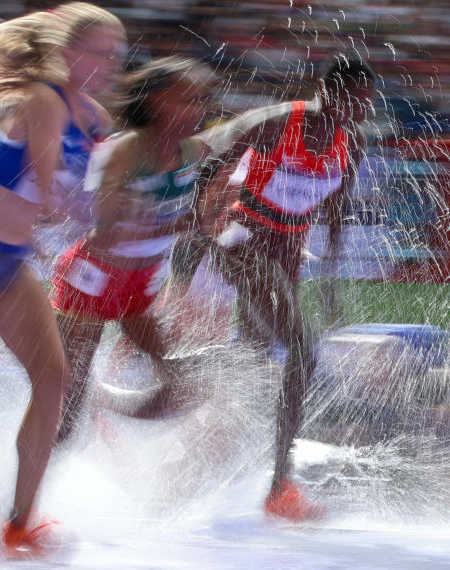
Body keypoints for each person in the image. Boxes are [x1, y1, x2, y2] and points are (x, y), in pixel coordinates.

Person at [0, 2, 125, 557]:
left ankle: (18, 522)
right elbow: (50, 186)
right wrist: (96, 206)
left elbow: (90, 199)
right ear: (68, 53)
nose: (108, 64)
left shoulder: (98, 120)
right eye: (99, 52)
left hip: (9, 257)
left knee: (54, 379)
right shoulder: (43, 99)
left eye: (116, 55)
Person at [197, 51, 374, 521]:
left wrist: (332, 279)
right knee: (302, 348)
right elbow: (209, 169)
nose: (360, 112)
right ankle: (280, 486)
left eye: (366, 104)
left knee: (253, 356)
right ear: (327, 93)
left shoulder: (350, 144)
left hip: (287, 253)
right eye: (353, 101)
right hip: (244, 239)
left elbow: (336, 212)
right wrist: (198, 239)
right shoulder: (277, 124)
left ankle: (178, 384)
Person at [50, 57, 214, 443]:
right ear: (156, 102)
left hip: (137, 283)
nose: (198, 111)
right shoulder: (123, 151)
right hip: (93, 276)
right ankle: (33, 491)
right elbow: (106, 232)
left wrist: (208, 217)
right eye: (186, 101)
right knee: (66, 399)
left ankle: (103, 406)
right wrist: (176, 223)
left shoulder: (197, 152)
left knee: (178, 384)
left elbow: (203, 217)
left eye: (201, 102)